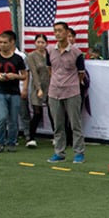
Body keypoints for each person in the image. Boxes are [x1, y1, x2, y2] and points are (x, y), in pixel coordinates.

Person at [47, 21, 87, 164]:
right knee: (58, 125)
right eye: (55, 31)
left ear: (67, 33)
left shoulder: (76, 53)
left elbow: (81, 73)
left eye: (60, 30)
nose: (57, 33)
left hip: (72, 92)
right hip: (54, 92)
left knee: (75, 124)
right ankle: (59, 153)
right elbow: (50, 69)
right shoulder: (50, 50)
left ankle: (79, 153)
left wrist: (70, 83)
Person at [0, 30, 27, 153]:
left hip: (14, 92)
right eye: (0, 42)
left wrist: (14, 76)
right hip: (1, 91)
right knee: (2, 117)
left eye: (5, 42)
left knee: (13, 119)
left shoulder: (18, 59)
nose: (3, 45)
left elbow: (24, 75)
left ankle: (11, 142)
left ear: (11, 43)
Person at [24, 34, 51, 148]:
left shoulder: (49, 55)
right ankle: (31, 138)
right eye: (38, 42)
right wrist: (39, 88)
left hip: (50, 86)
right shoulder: (31, 56)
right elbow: (34, 73)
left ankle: (57, 137)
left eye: (42, 42)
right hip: (37, 87)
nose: (40, 45)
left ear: (46, 44)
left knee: (53, 112)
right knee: (37, 113)